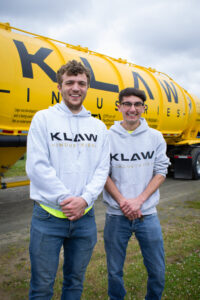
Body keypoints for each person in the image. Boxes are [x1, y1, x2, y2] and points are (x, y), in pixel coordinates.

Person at [26, 60, 110, 300]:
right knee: (42, 286)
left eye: (81, 83)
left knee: (74, 283)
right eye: (70, 82)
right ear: (59, 86)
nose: (76, 88)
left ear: (87, 87)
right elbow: (37, 166)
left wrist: (84, 200)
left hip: (85, 219)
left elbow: (102, 168)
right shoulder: (43, 119)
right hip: (48, 217)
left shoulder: (98, 126)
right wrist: (66, 199)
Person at [103, 87, 170, 300]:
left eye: (137, 104)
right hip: (116, 216)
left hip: (147, 214)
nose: (132, 109)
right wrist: (124, 202)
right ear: (119, 107)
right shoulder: (107, 137)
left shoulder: (155, 137)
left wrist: (139, 201)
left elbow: (161, 171)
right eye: (127, 104)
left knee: (157, 271)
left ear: (143, 108)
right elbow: (102, 174)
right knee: (114, 272)